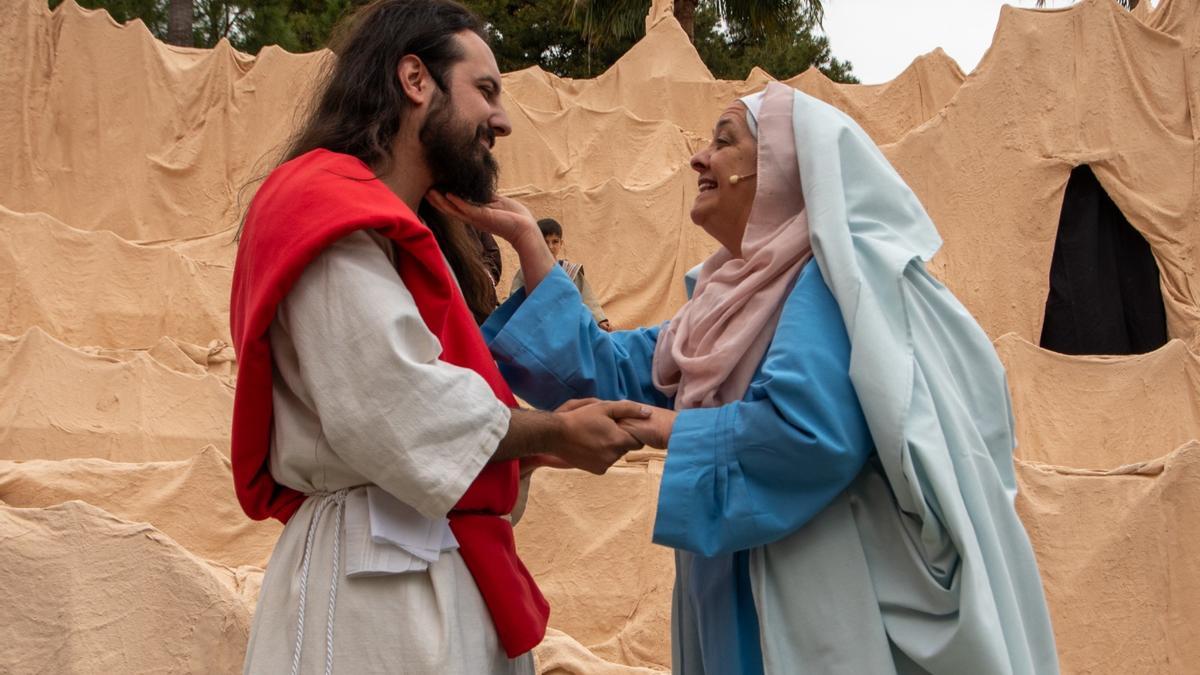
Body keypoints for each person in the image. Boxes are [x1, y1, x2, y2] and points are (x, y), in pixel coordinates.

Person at [432, 82, 1059, 674]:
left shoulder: (825, 284)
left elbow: (809, 431)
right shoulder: (722, 300)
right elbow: (615, 368)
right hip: (738, 578)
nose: (698, 159)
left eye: (725, 139)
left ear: (782, 168)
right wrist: (527, 240)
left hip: (802, 587)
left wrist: (665, 427)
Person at [229, 2, 650, 673]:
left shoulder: (401, 236)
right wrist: (545, 431)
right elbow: (394, 404)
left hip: (430, 578)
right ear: (415, 79)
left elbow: (438, 428)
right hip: (372, 596)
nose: (503, 120)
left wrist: (535, 447)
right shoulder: (321, 210)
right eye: (485, 90)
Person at [510, 217, 612, 330]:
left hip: (568, 327)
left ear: (561, 243)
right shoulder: (527, 271)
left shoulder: (570, 271)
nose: (550, 247)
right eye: (545, 241)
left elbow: (586, 297)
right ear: (536, 242)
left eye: (555, 241)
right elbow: (515, 301)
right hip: (537, 328)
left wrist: (600, 320)